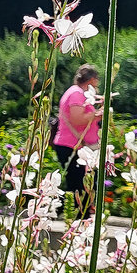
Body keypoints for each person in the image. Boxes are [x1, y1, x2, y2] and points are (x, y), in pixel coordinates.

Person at [53, 64, 101, 211]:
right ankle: (79, 215)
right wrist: (99, 114)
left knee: (81, 182)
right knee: (80, 184)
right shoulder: (77, 93)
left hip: (75, 145)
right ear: (92, 80)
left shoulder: (77, 92)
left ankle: (79, 213)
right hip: (72, 145)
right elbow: (77, 119)